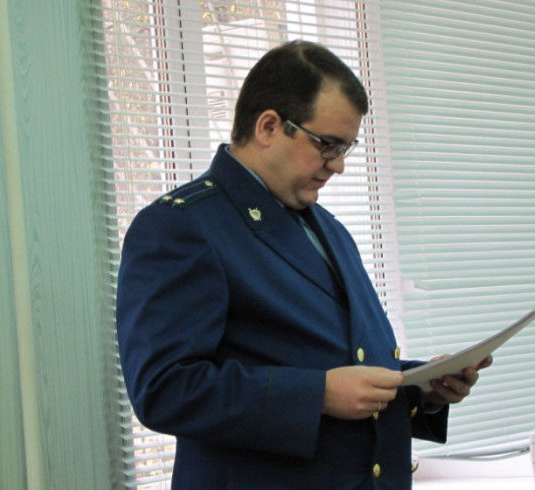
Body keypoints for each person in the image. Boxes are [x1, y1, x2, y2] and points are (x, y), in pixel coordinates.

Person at [116, 40, 491, 490]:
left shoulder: (327, 227)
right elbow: (163, 390)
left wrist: (419, 384)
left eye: (346, 148)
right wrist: (318, 395)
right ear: (269, 127)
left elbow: (341, 360)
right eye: (327, 145)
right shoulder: (181, 226)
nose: (338, 166)